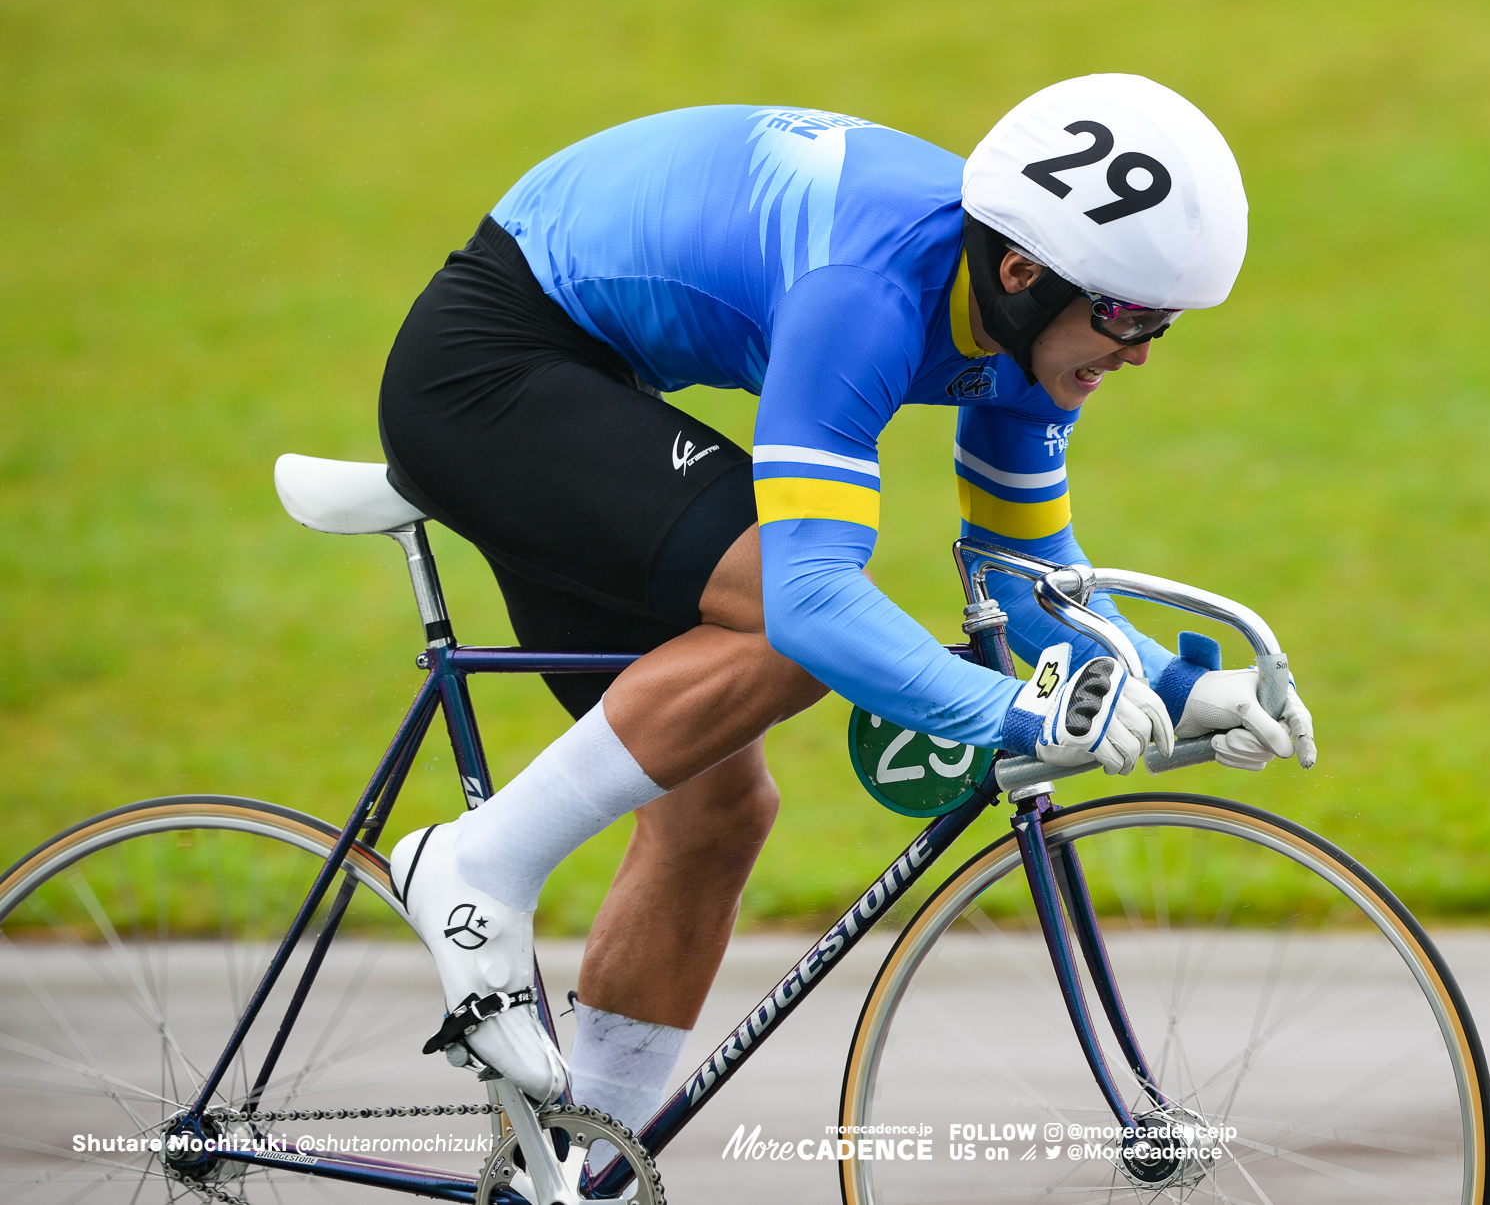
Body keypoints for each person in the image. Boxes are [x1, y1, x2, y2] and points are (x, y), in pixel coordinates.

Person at [377, 75, 1317, 1136]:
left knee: (717, 811)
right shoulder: (864, 293)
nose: (1141, 350)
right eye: (1127, 315)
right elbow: (813, 605)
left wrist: (1186, 688)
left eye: (1166, 323)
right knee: (788, 629)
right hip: (489, 367)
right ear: (1019, 271)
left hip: (596, 381)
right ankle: (473, 863)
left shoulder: (1026, 330)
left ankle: (582, 1162)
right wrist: (1014, 714)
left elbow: (1023, 575)